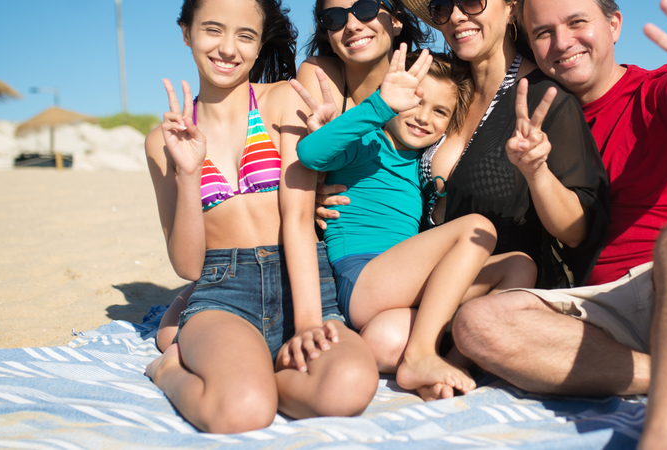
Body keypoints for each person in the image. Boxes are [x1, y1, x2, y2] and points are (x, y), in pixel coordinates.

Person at [451, 0, 667, 448]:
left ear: (614, 24)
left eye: (577, 22)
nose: (562, 42)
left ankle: (663, 438)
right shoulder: (535, 126)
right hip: (606, 311)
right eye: (543, 33)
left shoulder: (657, 89)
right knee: (477, 323)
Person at [313, 0, 609, 393]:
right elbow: (369, 161)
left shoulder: (544, 99)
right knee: (387, 336)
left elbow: (577, 232)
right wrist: (321, 184)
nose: (455, 16)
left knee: (390, 337)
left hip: (471, 296)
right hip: (400, 277)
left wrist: (536, 173)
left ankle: (448, 367)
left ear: (510, 8)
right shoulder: (442, 83)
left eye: (471, 0)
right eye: (440, 7)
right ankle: (424, 356)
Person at [142, 0, 377, 433]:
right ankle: (170, 371)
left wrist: (308, 324)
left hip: (304, 285)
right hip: (223, 294)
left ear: (258, 43)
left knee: (349, 386)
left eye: (245, 35)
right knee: (243, 412)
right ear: (185, 32)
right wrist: (189, 174)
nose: (228, 48)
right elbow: (188, 265)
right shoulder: (162, 140)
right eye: (213, 30)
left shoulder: (284, 100)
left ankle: (260, 377)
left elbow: (298, 219)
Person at [155, 0, 432, 358]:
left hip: (372, 255)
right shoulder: (320, 76)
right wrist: (314, 188)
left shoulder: (432, 78)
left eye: (364, 7)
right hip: (324, 255)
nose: (351, 24)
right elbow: (307, 160)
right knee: (173, 333)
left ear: (395, 19)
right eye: (334, 17)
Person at [296, 46, 537, 396]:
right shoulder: (366, 141)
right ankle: (422, 355)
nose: (424, 117)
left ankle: (451, 365)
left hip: (396, 298)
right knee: (478, 230)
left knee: (519, 266)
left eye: (440, 111)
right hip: (362, 278)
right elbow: (310, 153)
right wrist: (379, 106)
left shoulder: (421, 165)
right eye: (414, 101)